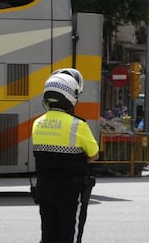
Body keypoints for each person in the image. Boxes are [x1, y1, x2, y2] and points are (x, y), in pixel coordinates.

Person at [32, 68, 99, 243]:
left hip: (44, 187)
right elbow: (93, 155)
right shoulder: (78, 125)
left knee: (48, 234)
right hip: (70, 190)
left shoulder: (37, 124)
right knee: (70, 234)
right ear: (70, 96)